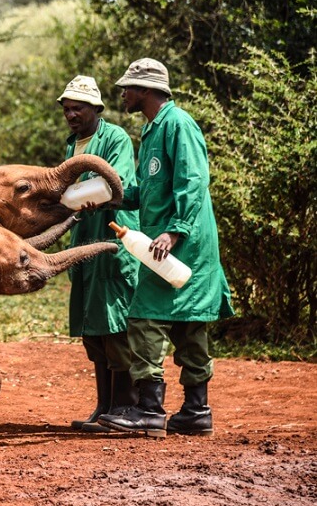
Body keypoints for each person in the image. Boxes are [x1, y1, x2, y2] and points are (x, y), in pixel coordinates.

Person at [99, 58, 234, 438]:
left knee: (144, 317)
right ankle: (196, 410)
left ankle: (150, 409)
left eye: (128, 87)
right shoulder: (152, 131)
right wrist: (111, 197)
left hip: (183, 244)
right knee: (190, 325)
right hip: (171, 241)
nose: (123, 93)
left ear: (146, 90)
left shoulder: (178, 124)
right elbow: (152, 193)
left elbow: (194, 181)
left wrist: (175, 232)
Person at [57, 76, 140, 433]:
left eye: (78, 108)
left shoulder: (115, 138)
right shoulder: (71, 145)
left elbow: (114, 184)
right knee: (92, 326)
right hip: (84, 241)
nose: (72, 114)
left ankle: (126, 406)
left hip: (112, 239)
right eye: (67, 109)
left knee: (114, 324)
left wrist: (77, 196)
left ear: (96, 109)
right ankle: (104, 406)